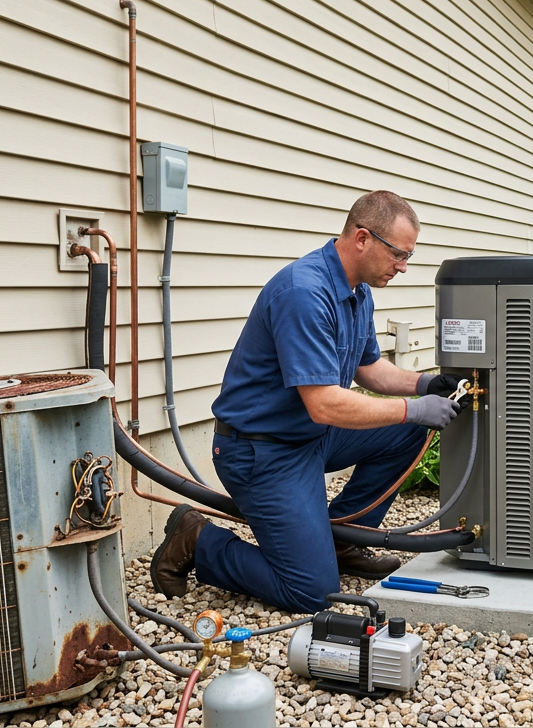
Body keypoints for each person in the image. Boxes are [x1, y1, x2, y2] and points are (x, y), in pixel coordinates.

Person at [148, 191, 469, 612]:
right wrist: (414, 407)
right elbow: (325, 404)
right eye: (399, 254)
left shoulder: (357, 292)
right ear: (362, 238)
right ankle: (197, 539)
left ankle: (343, 542)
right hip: (262, 450)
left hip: (310, 436)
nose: (403, 267)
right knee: (312, 592)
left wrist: (424, 384)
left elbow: (368, 368)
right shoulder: (304, 292)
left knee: (409, 430)